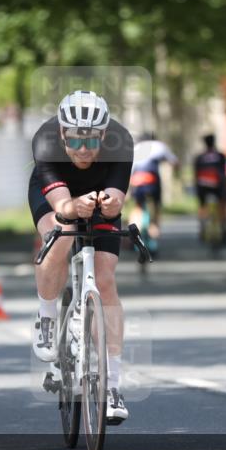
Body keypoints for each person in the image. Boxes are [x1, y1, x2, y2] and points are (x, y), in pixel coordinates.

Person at [29, 89, 133, 424]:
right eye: (75, 141)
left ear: (104, 135)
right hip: (57, 195)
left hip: (98, 196)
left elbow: (116, 198)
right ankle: (47, 317)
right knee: (60, 231)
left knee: (105, 279)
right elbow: (62, 205)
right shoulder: (45, 141)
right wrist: (74, 207)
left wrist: (110, 204)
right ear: (62, 133)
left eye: (90, 141)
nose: (83, 150)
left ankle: (112, 386)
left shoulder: (121, 142)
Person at [129, 132, 179, 256]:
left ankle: (135, 236)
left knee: (138, 208)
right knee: (155, 209)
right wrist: (177, 173)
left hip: (137, 181)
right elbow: (174, 161)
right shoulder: (159, 145)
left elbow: (129, 170)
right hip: (152, 181)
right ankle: (153, 237)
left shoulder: (135, 149)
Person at [193, 134, 226, 244]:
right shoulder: (220, 156)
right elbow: (225, 173)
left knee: (202, 205)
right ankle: (224, 226)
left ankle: (202, 226)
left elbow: (196, 175)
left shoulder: (199, 157)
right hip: (217, 185)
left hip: (203, 186)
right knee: (222, 204)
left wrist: (196, 188)